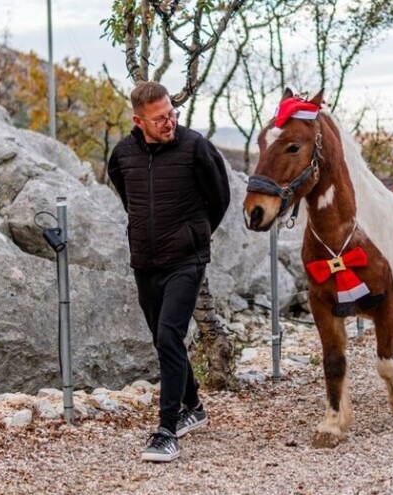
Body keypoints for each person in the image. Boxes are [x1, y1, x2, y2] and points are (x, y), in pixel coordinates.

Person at [107, 82, 230, 463]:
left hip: (186, 259)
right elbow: (128, 198)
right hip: (144, 260)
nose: (169, 122)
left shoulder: (195, 147)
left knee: (168, 336)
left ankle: (167, 429)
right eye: (160, 118)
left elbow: (220, 198)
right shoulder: (123, 155)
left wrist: (194, 235)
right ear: (138, 120)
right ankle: (193, 405)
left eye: (171, 114)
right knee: (166, 340)